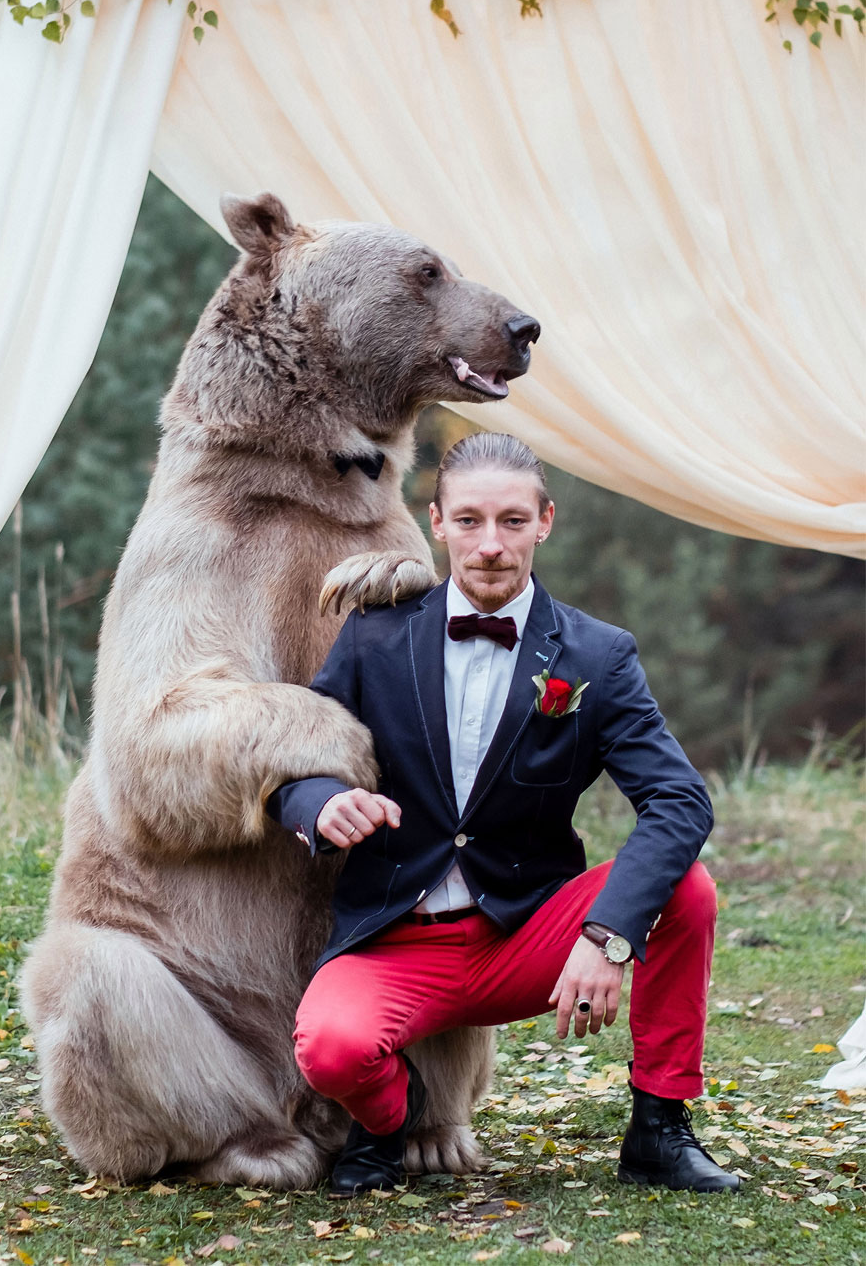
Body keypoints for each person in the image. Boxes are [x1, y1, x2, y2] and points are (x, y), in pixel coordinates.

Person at [267, 433, 738, 1197]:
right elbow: (299, 757)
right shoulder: (374, 633)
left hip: (529, 930)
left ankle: (659, 1125)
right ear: (438, 521)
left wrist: (608, 933)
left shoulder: (597, 655)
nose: (491, 545)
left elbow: (679, 799)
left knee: (687, 889)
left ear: (545, 521)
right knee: (332, 1049)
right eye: (472, 520)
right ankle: (388, 1124)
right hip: (398, 938)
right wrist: (321, 802)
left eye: (513, 521)